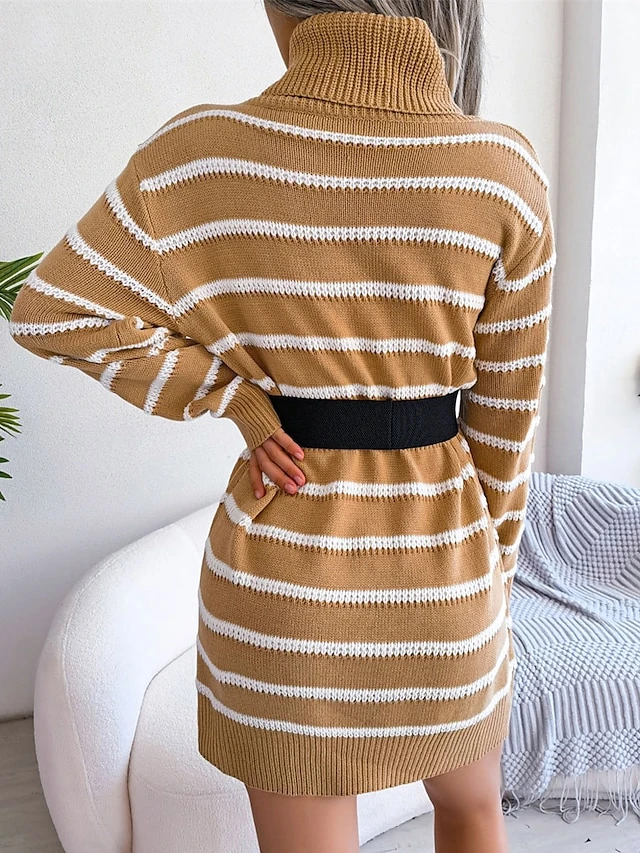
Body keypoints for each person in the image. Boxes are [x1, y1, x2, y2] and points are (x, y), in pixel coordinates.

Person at [9, 1, 555, 851]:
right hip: (447, 586)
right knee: (474, 810)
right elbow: (505, 429)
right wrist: (491, 589)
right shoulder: (502, 173)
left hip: (280, 597)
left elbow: (53, 309)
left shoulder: (198, 154)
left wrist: (230, 393)